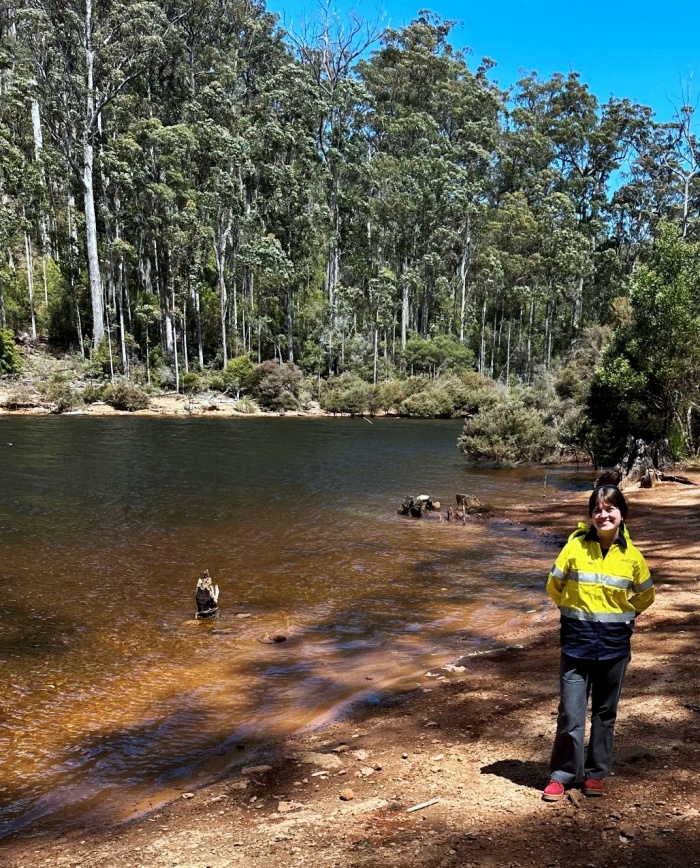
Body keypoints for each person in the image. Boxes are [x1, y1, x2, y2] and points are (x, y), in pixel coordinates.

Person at [542, 483, 655, 801]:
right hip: (576, 644)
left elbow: (646, 593)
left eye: (609, 508)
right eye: (597, 509)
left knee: (605, 714)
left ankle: (596, 773)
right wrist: (571, 613)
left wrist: (627, 613)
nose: (603, 514)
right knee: (571, 713)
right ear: (591, 515)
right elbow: (554, 585)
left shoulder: (632, 556)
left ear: (621, 513)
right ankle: (563, 774)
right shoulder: (574, 547)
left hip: (614, 647)